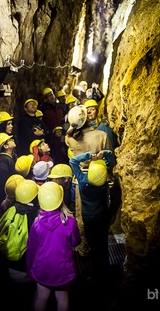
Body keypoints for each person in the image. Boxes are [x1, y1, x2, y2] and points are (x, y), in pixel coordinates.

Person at [65, 105, 113, 257]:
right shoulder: (101, 136)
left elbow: (70, 133)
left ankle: (84, 248)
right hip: (99, 177)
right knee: (100, 212)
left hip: (81, 180)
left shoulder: (70, 138)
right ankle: (101, 246)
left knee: (82, 215)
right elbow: (110, 161)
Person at [26, 181, 81, 311]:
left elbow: (31, 249)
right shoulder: (69, 222)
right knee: (62, 298)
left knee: (41, 297)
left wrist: (30, 270)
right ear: (61, 199)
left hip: (42, 268)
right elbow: (75, 242)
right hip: (62, 268)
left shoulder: (36, 223)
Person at [69, 151, 110, 305]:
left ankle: (96, 275)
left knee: (93, 245)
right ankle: (104, 272)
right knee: (103, 245)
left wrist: (88, 156)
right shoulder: (103, 182)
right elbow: (110, 157)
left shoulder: (83, 180)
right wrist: (103, 154)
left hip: (89, 218)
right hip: (102, 217)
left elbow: (73, 161)